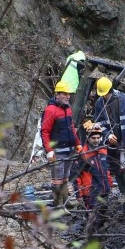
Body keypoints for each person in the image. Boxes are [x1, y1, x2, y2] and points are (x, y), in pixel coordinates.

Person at [91, 76, 125, 202]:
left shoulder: (124, 99)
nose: (105, 96)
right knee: (115, 167)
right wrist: (107, 135)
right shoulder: (99, 103)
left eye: (107, 93)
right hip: (112, 142)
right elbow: (99, 123)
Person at [40, 81, 81, 210]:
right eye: (64, 94)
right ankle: (58, 206)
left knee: (65, 177)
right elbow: (44, 131)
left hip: (69, 149)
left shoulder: (67, 109)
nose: (67, 96)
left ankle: (65, 202)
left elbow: (72, 128)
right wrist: (49, 150)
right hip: (58, 151)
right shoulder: (50, 110)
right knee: (57, 179)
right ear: (57, 94)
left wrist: (78, 143)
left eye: (68, 94)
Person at [74, 122, 112, 236]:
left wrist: (109, 184)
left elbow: (106, 169)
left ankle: (101, 247)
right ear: (88, 137)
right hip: (91, 193)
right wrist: (78, 195)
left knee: (102, 220)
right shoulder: (83, 154)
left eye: (98, 137)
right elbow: (76, 176)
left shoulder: (103, 150)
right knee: (92, 221)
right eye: (93, 138)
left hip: (104, 191)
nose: (96, 140)